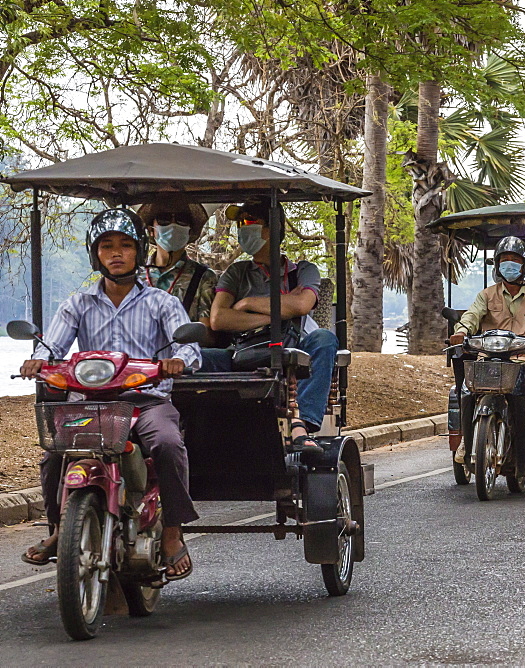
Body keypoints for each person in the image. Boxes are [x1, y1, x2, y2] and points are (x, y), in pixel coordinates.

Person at [19, 208, 201, 581]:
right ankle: (57, 528)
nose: (116, 253)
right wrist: (38, 361)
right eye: (107, 246)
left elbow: (190, 349)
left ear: (138, 251)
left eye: (125, 245)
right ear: (95, 254)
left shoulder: (160, 302)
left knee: (167, 444)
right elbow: (50, 347)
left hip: (147, 402)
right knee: (54, 452)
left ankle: (172, 531)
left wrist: (177, 360)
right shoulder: (78, 303)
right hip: (91, 405)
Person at [203, 199, 337, 457]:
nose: (242, 229)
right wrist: (277, 314)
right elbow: (219, 319)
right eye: (240, 224)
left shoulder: (304, 271)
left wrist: (246, 303)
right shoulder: (237, 272)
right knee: (198, 358)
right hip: (243, 352)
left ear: (272, 229)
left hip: (292, 348)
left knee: (324, 339)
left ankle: (303, 421)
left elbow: (302, 304)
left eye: (249, 222)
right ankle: (193, 431)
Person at [451, 236, 525, 463]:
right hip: (488, 359)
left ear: (524, 264)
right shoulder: (486, 295)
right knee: (466, 387)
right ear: (497, 265)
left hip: (524, 358)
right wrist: (461, 331)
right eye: (505, 259)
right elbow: (471, 316)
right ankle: (466, 438)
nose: (509, 264)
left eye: (515, 259)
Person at [138, 197, 219, 345]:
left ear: (190, 231)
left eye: (181, 220)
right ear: (151, 230)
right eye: (164, 219)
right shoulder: (134, 276)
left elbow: (207, 332)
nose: (173, 225)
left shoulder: (203, 277)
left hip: (183, 359)